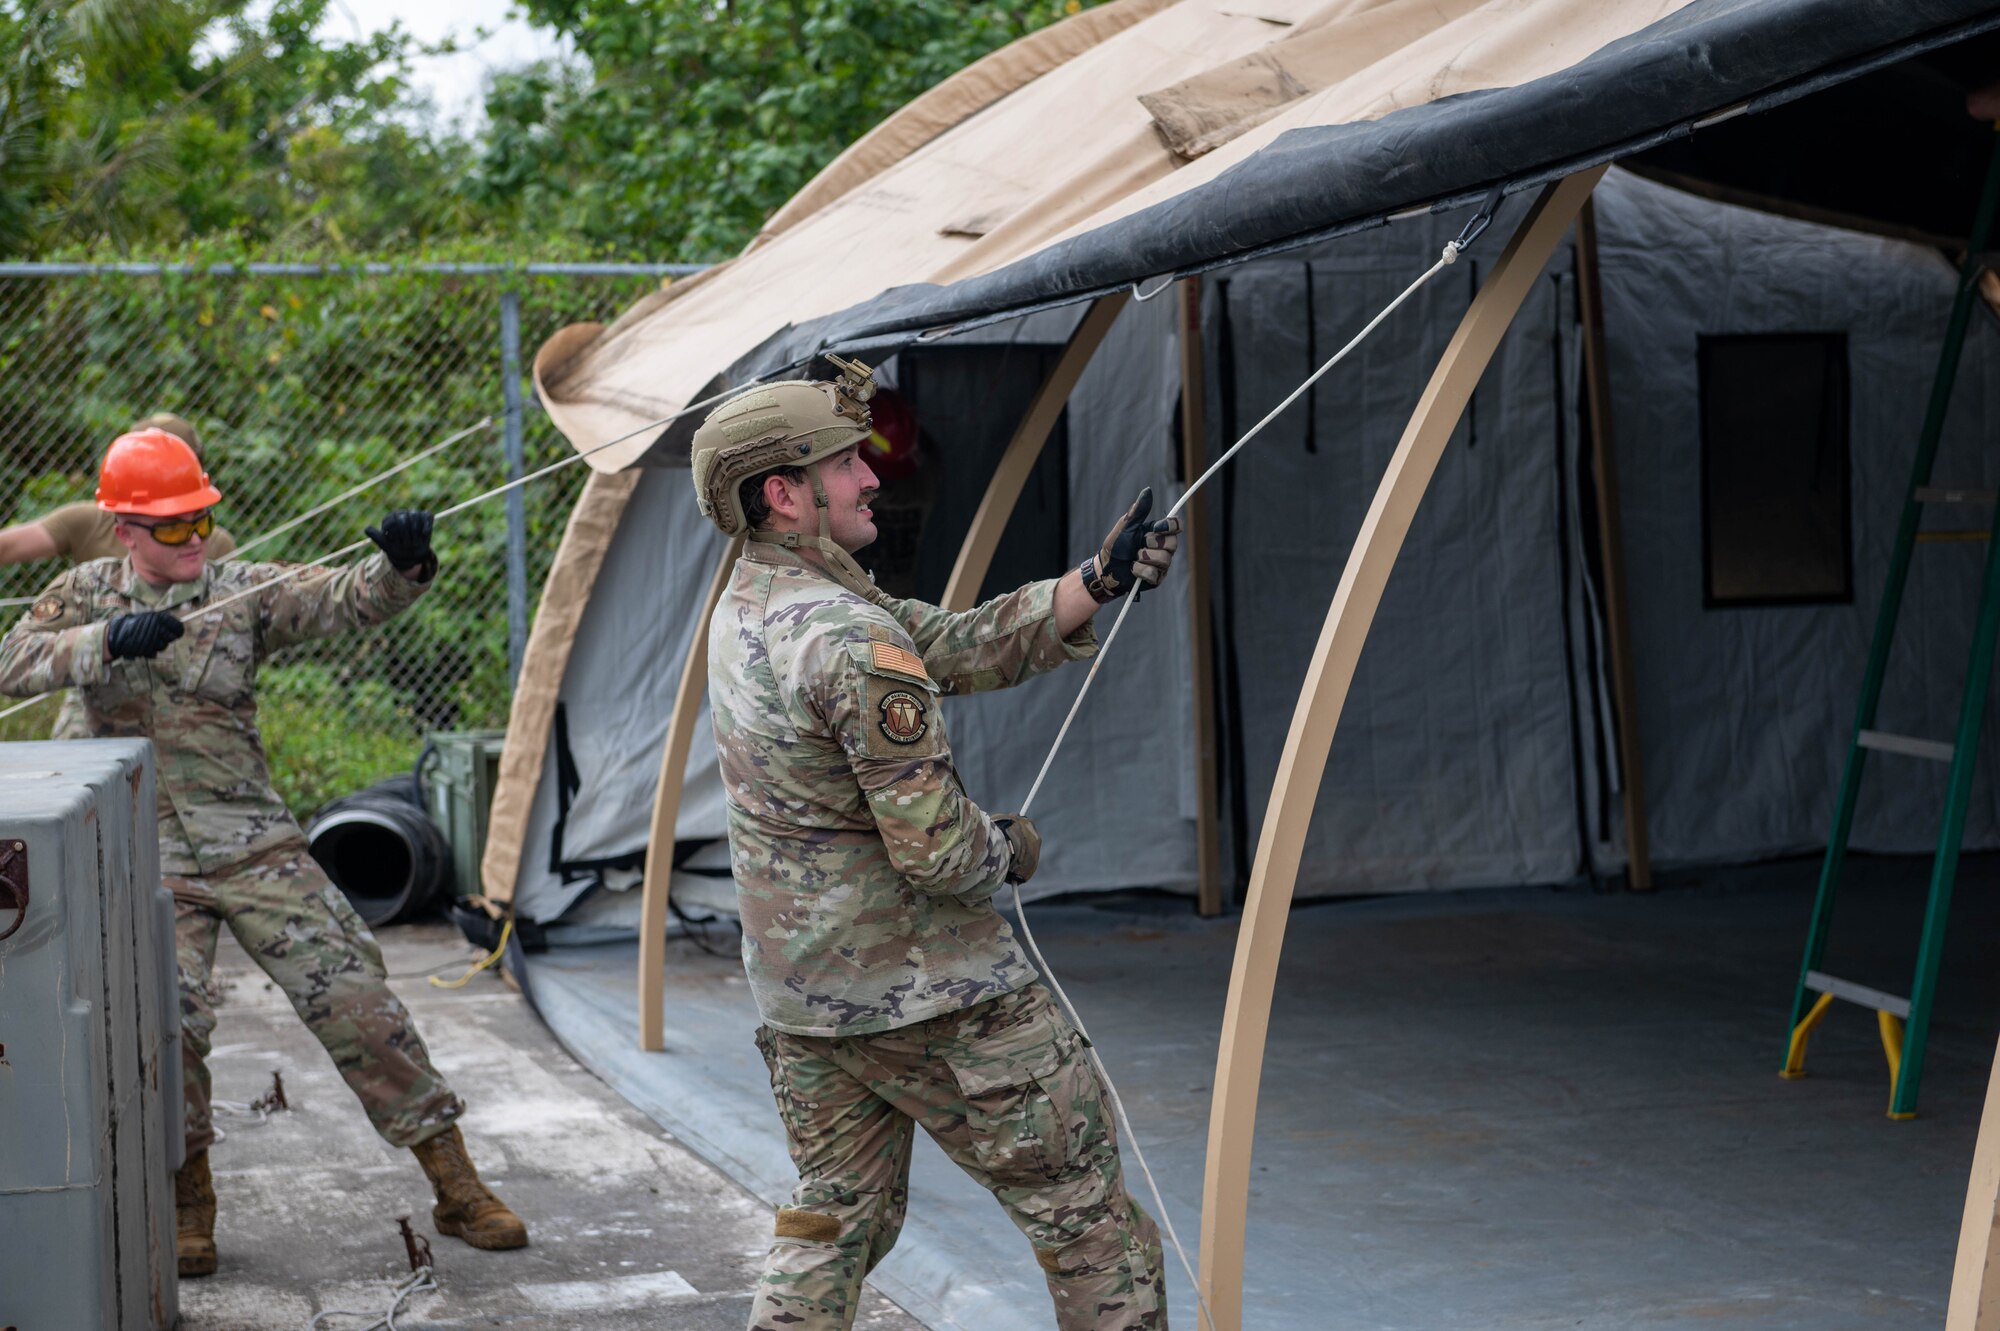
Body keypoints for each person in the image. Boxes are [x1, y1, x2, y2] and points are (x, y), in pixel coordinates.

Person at [690, 359, 1181, 1331]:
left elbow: (948, 641)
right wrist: (1011, 846)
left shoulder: (755, 604)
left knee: (831, 1220)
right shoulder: (845, 636)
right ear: (782, 494)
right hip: (938, 994)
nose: (872, 475)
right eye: (842, 464)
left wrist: (1097, 579)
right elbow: (939, 853)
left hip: (805, 1000)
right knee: (1091, 1230)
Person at [0, 428, 527, 1277]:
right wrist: (102, 643)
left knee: (359, 1002)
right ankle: (187, 1200)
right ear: (126, 530)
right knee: (168, 1022)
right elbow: (11, 660)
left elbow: (341, 599)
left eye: (201, 516)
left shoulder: (241, 591)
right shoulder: (84, 593)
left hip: (255, 842)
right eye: (171, 526)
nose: (195, 536)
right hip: (148, 852)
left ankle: (456, 1183)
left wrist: (403, 566)